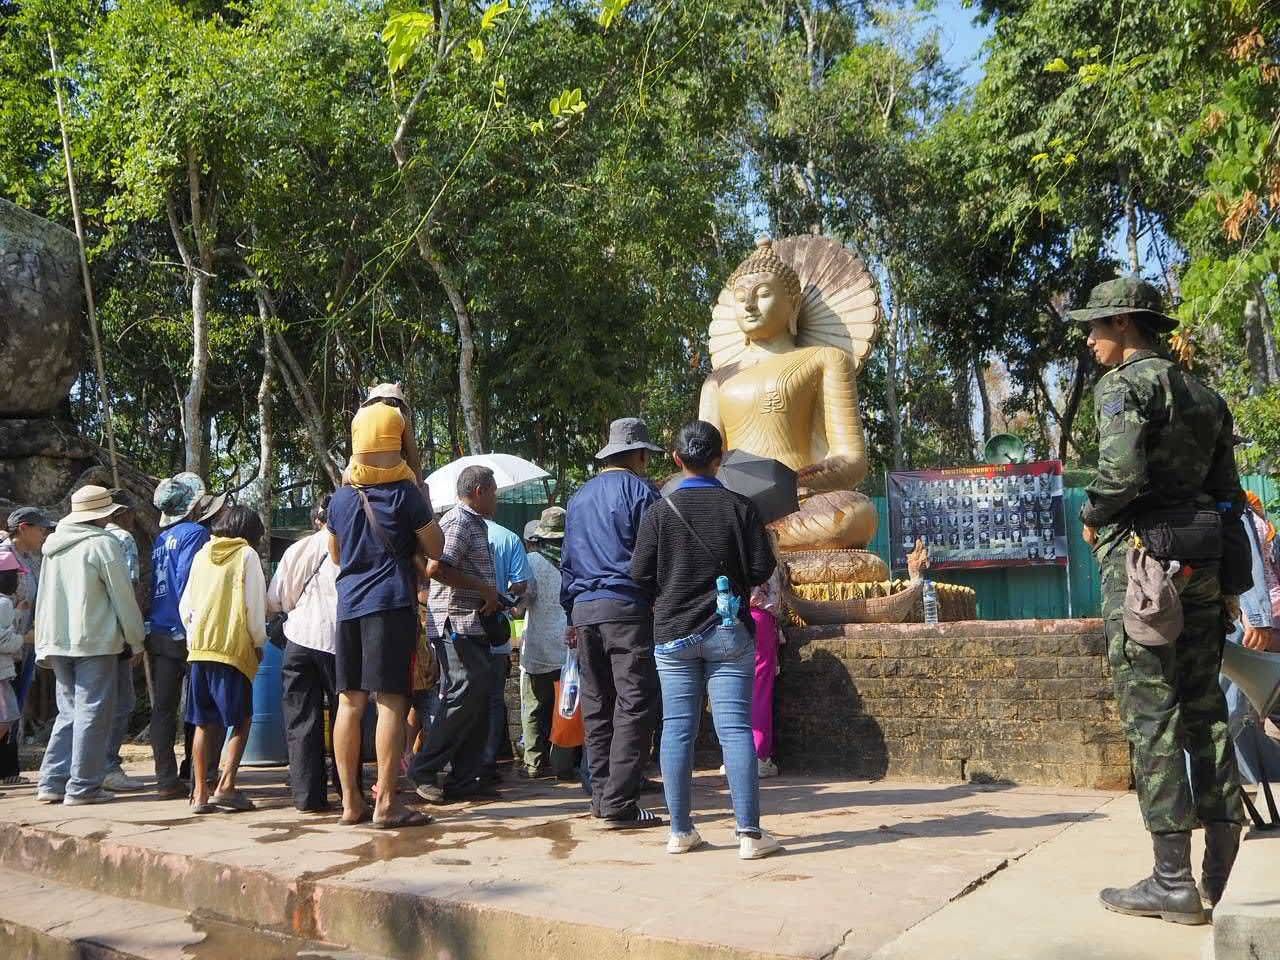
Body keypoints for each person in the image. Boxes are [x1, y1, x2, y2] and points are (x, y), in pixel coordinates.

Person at [1072, 276, 1245, 923]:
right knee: (1206, 710)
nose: (1091, 340)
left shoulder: (1124, 386)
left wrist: (1092, 512)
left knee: (1152, 715)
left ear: (1124, 323)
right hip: (1203, 562)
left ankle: (1173, 882)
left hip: (1143, 564)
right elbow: (1227, 493)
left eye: (1096, 326)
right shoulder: (1205, 394)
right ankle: (1223, 876)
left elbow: (1120, 475)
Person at [631, 421, 781, 858]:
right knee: (734, 730)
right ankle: (749, 834)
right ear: (721, 458)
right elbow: (761, 568)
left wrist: (668, 593)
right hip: (728, 629)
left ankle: (680, 831)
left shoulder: (659, 511)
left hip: (673, 633)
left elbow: (639, 574)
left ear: (676, 459)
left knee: (677, 730)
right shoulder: (741, 507)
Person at [328, 423, 442, 828]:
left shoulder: (341, 498)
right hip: (390, 604)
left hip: (349, 606)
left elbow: (336, 555)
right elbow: (437, 547)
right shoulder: (406, 494)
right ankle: (387, 803)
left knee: (349, 703)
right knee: (391, 701)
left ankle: (350, 804)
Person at [561, 417, 664, 828]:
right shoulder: (642, 492)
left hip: (584, 609)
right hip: (626, 607)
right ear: (639, 455)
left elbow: (568, 560)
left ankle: (602, 795)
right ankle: (619, 802)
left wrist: (571, 612)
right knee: (634, 701)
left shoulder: (578, 498)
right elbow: (655, 556)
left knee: (597, 702)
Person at [35, 485, 145, 805]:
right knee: (93, 713)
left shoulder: (53, 546)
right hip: (95, 642)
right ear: (102, 515)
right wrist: (136, 639)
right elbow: (122, 597)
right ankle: (83, 787)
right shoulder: (104, 544)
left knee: (69, 712)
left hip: (57, 641)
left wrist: (43, 642)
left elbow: (44, 598)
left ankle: (52, 782)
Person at [411, 466, 503, 804]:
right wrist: (482, 588)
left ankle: (465, 777)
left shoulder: (475, 523)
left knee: (477, 692)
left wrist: (490, 595)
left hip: (471, 622)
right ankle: (424, 768)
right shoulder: (459, 522)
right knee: (465, 689)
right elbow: (437, 568)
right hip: (455, 622)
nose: (497, 499)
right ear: (479, 491)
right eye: (494, 492)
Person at [178, 506, 267, 813]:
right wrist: (259, 642)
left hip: (200, 648)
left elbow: (186, 605)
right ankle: (226, 786)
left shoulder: (202, 554)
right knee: (242, 720)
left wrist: (194, 636)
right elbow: (254, 605)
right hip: (232, 647)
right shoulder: (247, 556)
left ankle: (200, 793)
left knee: (204, 722)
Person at [267, 496, 345, 813]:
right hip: (339, 640)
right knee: (346, 716)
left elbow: (275, 600)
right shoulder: (352, 547)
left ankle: (307, 796)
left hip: (298, 639)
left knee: (301, 719)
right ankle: (348, 791)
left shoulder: (297, 550)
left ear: (317, 520)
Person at [148, 472, 214, 799]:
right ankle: (200, 772)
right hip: (189, 629)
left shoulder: (160, 540)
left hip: (159, 630)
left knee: (163, 708)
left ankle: (165, 778)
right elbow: (191, 576)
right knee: (200, 704)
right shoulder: (197, 533)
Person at [515, 508, 576, 780]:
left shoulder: (531, 562)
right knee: (566, 707)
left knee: (533, 707)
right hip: (569, 647)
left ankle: (534, 763)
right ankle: (564, 763)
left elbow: (521, 604)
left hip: (538, 648)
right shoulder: (577, 559)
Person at [0, 506, 54, 785]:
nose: (44, 534)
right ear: (23, 528)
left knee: (14, 708)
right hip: (7, 647)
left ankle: (8, 770)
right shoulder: (4, 556)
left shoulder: (32, 558)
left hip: (25, 646)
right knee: (4, 711)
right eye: (40, 528)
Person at [101, 504, 147, 793]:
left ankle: (75, 768)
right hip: (115, 632)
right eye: (130, 512)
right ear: (119, 514)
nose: (134, 518)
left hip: (82, 634)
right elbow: (130, 587)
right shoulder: (122, 539)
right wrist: (134, 636)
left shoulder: (69, 541)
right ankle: (107, 765)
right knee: (122, 701)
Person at [481, 517, 530, 783]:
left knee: (461, 696)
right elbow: (520, 584)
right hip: (496, 628)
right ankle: (488, 761)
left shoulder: (448, 529)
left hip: (459, 630)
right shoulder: (508, 537)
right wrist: (505, 596)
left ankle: (464, 762)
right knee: (494, 698)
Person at [749, 568, 784, 779]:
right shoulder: (761, 552)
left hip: (726, 618)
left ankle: (735, 755)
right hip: (758, 616)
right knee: (759, 690)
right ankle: (758, 755)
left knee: (731, 690)